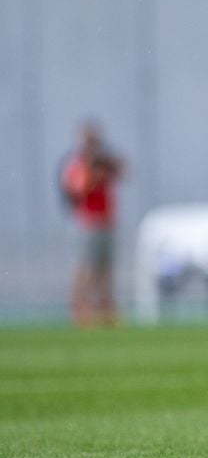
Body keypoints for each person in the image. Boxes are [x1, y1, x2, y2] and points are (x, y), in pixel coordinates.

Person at [60, 121, 124, 327]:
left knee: (105, 269)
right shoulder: (78, 164)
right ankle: (81, 309)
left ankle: (106, 308)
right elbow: (77, 190)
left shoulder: (105, 162)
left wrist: (105, 166)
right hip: (88, 222)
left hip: (107, 221)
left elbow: (123, 170)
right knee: (86, 268)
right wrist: (93, 173)